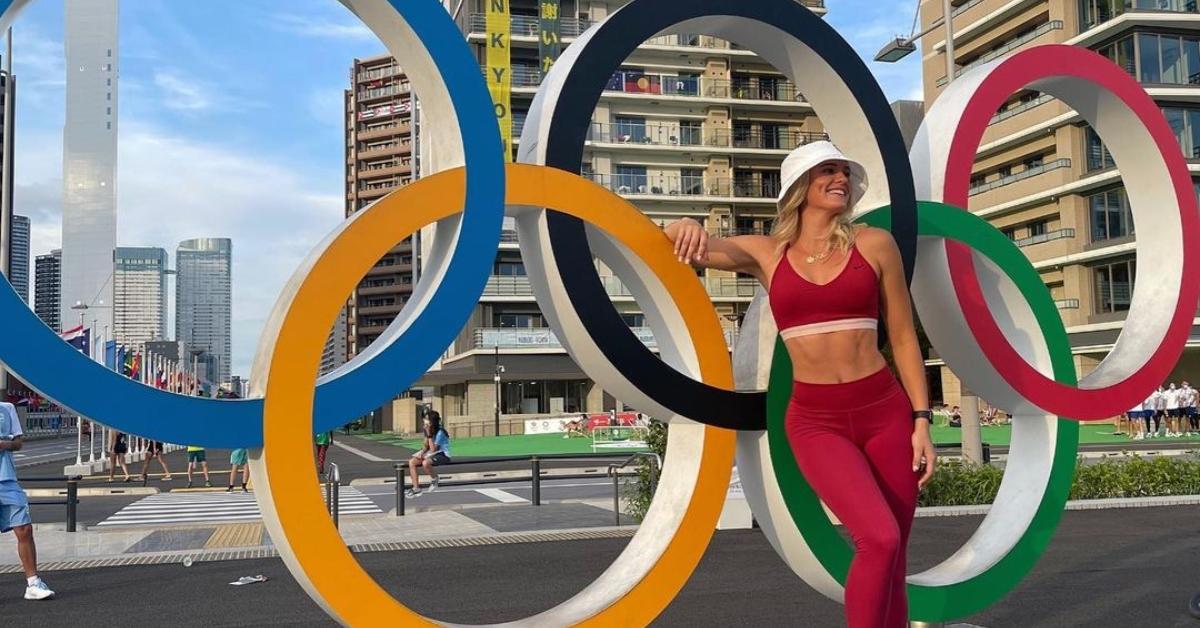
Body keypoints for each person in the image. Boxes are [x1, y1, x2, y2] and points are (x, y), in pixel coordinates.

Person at [664, 140, 935, 627]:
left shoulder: (874, 244)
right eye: (827, 171)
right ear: (800, 187)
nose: (840, 179)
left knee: (894, 556)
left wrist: (921, 418)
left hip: (885, 412)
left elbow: (902, 337)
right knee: (881, 538)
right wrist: (679, 225)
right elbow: (696, 246)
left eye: (844, 172)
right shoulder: (768, 254)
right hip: (816, 422)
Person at [0, 400, 54, 600]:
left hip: (6, 478)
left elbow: (18, 442)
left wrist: (4, 444)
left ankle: (33, 584)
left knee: (24, 529)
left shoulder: (7, 408)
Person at [406, 411, 451, 498]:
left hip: (443, 454)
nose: (425, 421)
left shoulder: (440, 432)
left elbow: (434, 449)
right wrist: (421, 452)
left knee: (425, 463)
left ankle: (435, 479)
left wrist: (429, 435)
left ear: (432, 421)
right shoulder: (428, 430)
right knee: (412, 462)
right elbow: (425, 446)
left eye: (427, 419)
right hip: (430, 453)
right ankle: (416, 488)